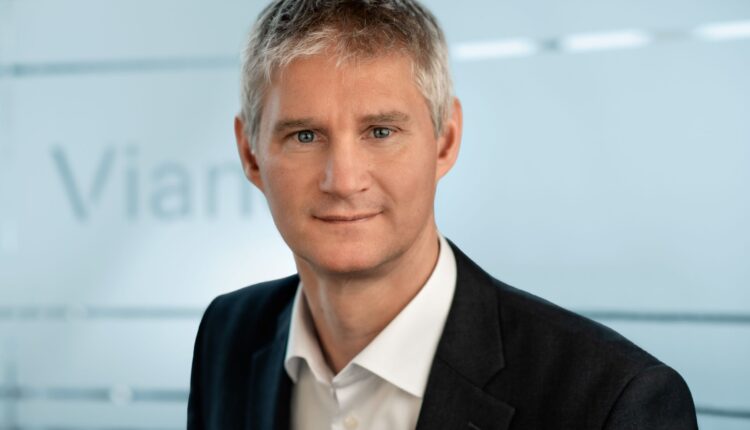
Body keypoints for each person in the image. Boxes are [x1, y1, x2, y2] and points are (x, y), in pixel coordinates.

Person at [187, 1, 698, 429]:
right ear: (250, 154)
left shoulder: (614, 402)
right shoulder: (227, 334)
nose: (343, 181)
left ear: (445, 141)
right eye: (304, 135)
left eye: (381, 132)